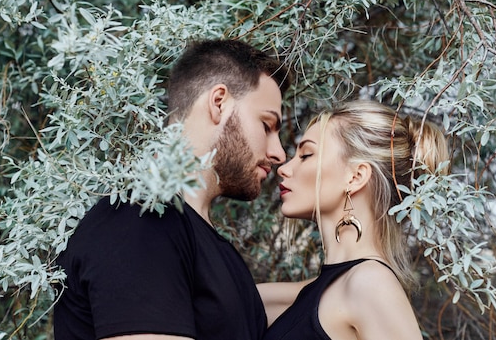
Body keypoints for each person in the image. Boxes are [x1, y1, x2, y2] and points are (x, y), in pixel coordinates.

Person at [53, 39, 290, 340]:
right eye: (267, 125)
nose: (279, 153)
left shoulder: (206, 244)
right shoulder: (140, 220)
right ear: (219, 102)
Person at [258, 100, 449, 340]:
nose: (284, 169)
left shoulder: (371, 285)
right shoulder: (315, 293)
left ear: (356, 177)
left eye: (306, 155)